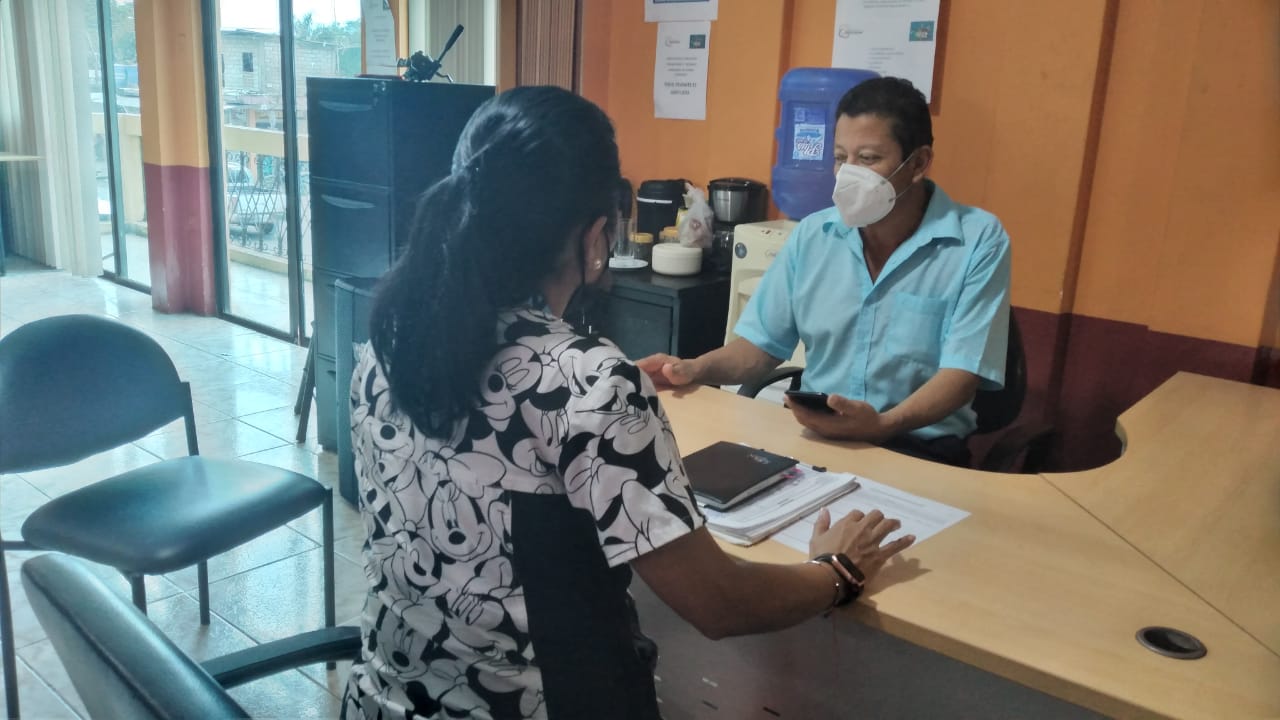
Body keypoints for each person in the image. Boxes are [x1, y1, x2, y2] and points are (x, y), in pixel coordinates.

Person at [344, 86, 915, 720]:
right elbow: (720, 604)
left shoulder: (391, 339)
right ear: (596, 237)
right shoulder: (589, 382)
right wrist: (838, 568)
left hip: (384, 698)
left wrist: (605, 402)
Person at [639, 77, 1012, 467]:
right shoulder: (814, 235)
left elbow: (962, 373)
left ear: (918, 163)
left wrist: (882, 426)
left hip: (918, 449)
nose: (849, 173)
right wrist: (692, 369)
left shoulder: (976, 240)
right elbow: (759, 347)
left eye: (868, 158)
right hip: (817, 440)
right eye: (839, 157)